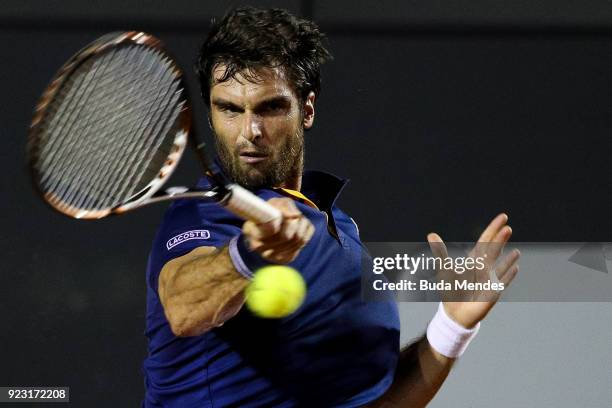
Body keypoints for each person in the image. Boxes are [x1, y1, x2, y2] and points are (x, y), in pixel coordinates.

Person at [143, 7, 520, 407]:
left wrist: (451, 327)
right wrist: (247, 254)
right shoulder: (204, 212)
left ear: (307, 108)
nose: (249, 132)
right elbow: (182, 307)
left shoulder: (340, 231)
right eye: (230, 109)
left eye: (269, 107)